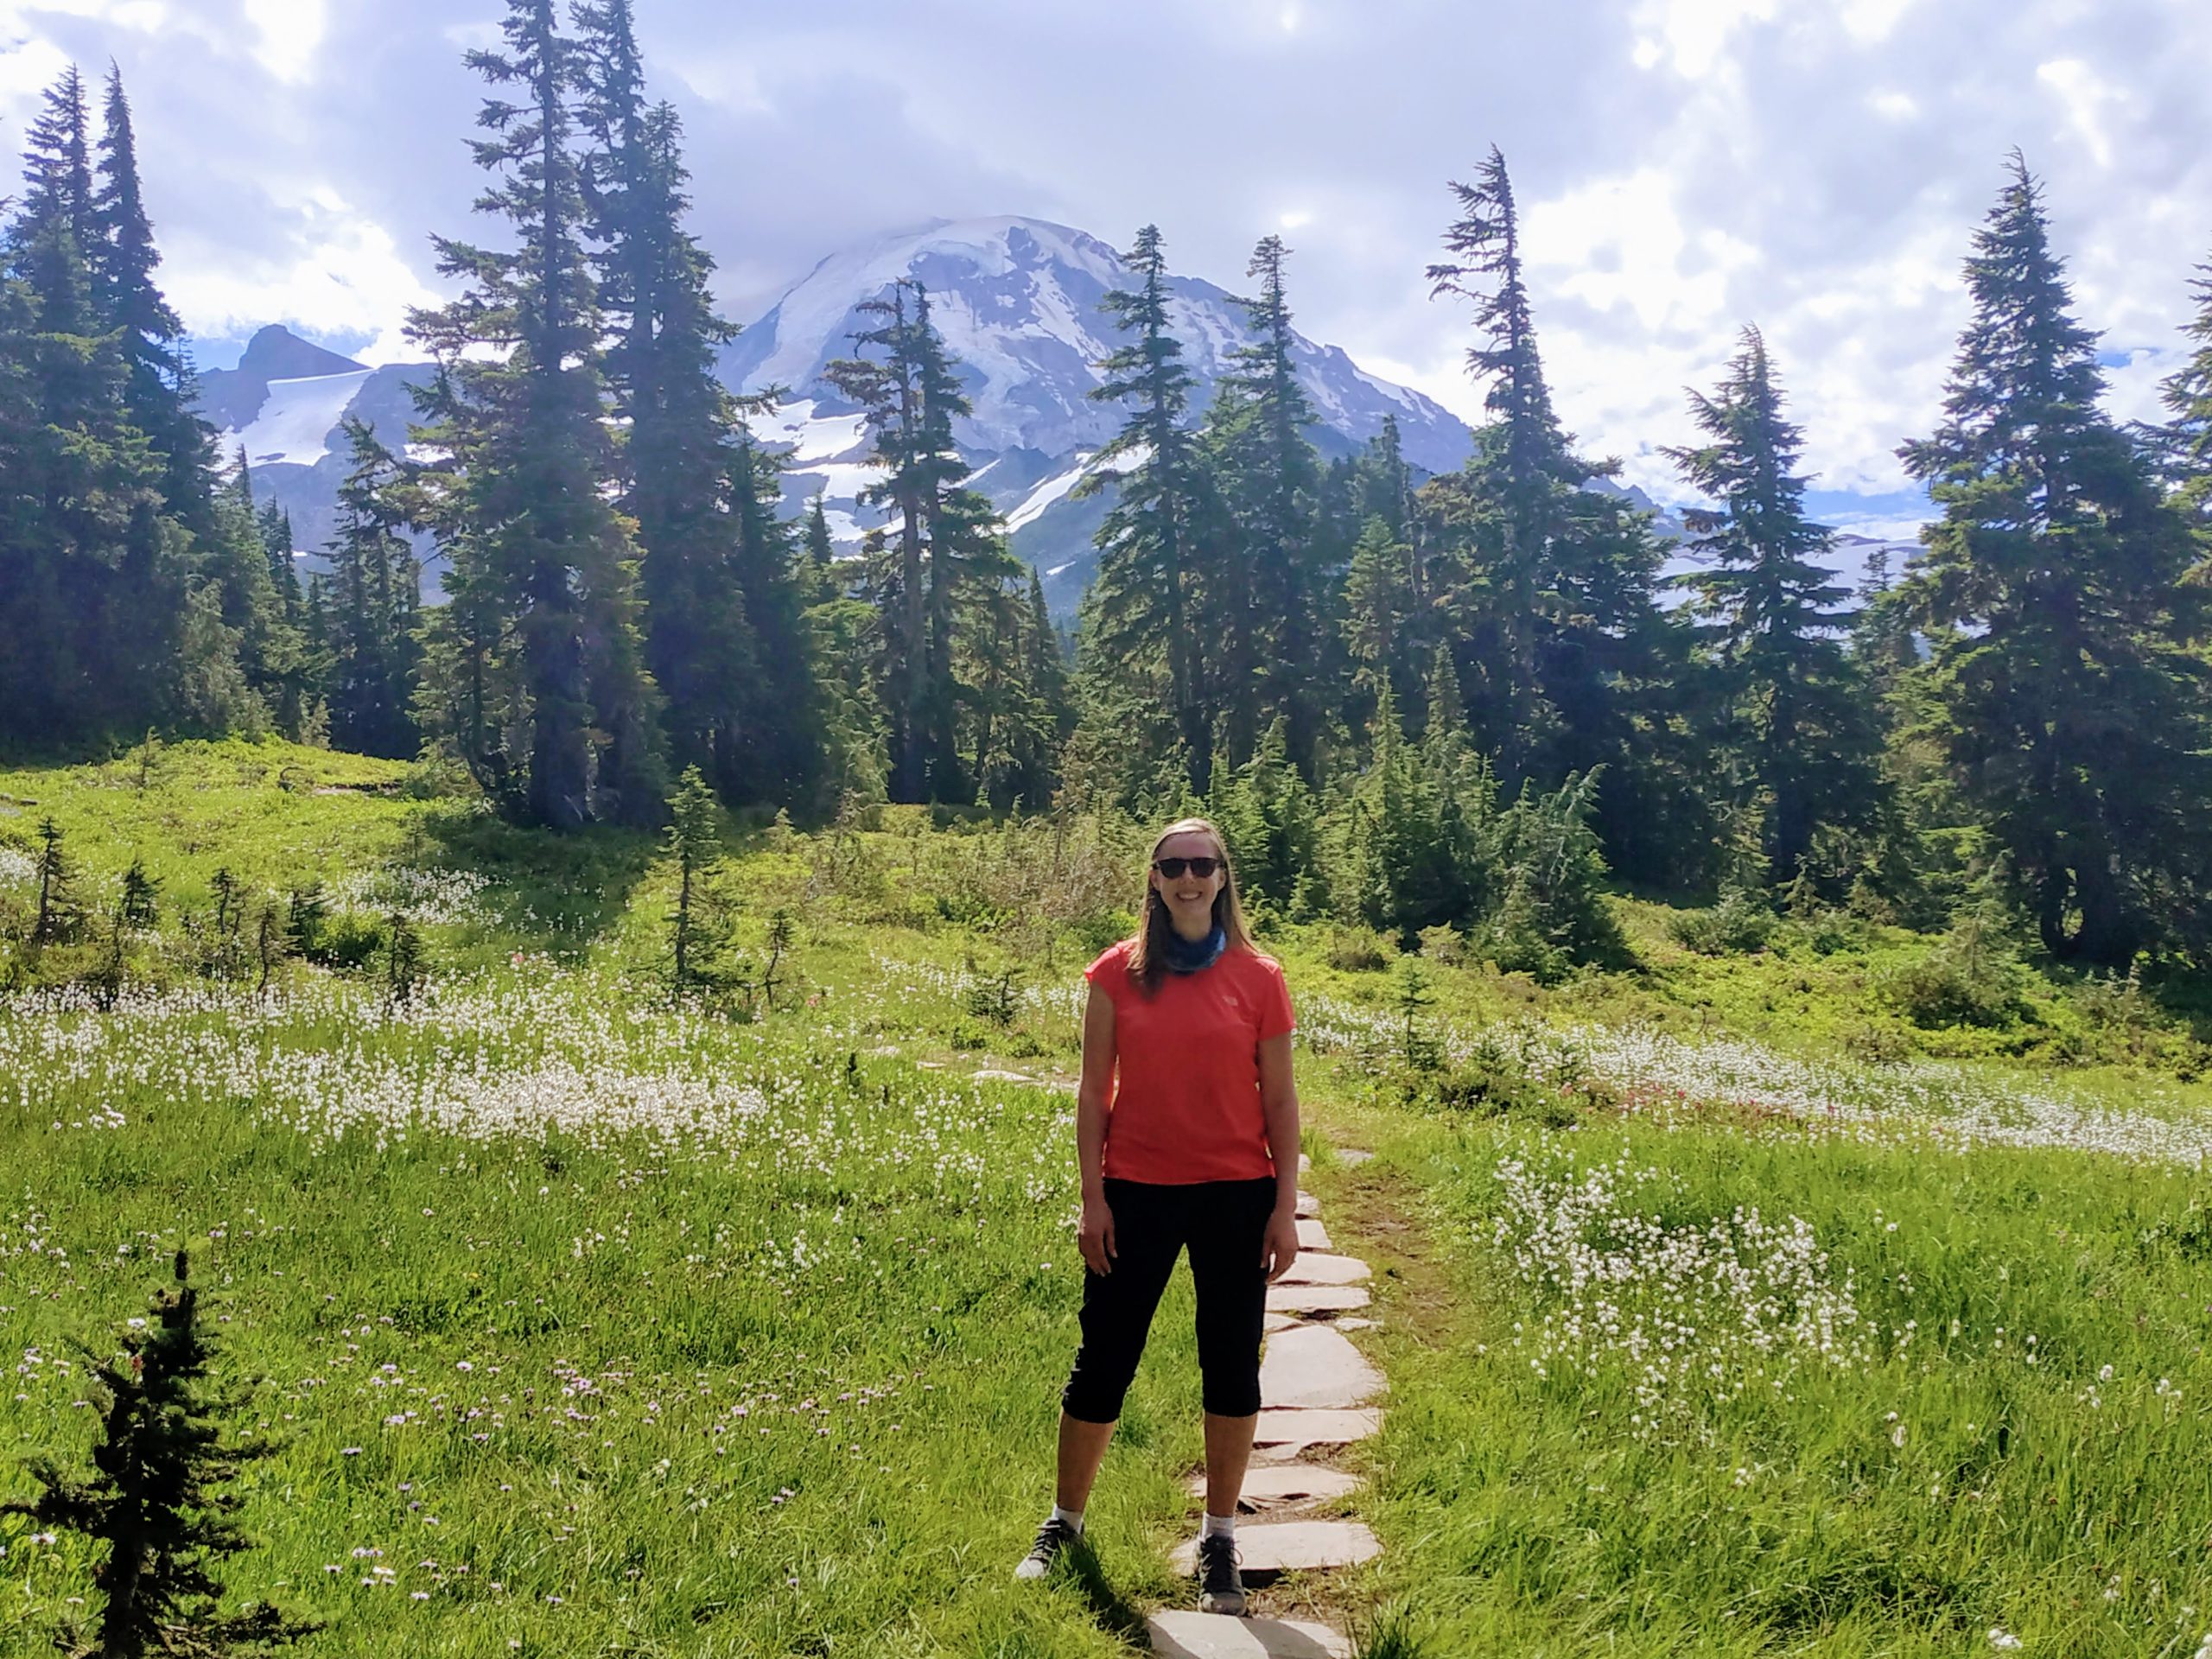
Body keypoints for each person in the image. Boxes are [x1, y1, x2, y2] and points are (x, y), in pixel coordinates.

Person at [1014, 817, 1301, 1617]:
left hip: (1237, 1193)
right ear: (1153, 876)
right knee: (1103, 1357)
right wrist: (1092, 1198)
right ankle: (1063, 1523)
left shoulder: (1260, 976)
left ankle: (1218, 1540)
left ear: (1222, 876)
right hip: (1135, 1191)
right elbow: (1091, 1092)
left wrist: (1285, 1208)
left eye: (1201, 864)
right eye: (1173, 864)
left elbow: (1279, 1100)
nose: (1187, 877)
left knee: (1231, 1364)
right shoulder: (1116, 974)